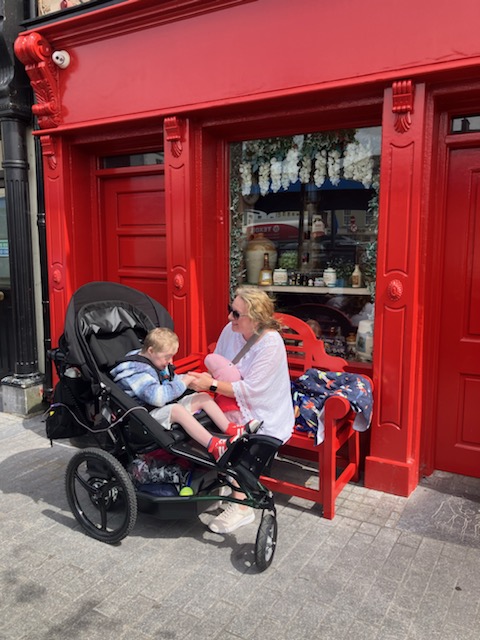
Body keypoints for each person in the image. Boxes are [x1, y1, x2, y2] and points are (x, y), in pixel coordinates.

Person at [188, 285, 294, 534]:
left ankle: (243, 504)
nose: (229, 318)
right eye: (230, 310)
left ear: (255, 318)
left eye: (236, 314)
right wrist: (206, 381)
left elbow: (253, 390)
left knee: (241, 434)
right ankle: (219, 481)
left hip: (262, 407)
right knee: (196, 418)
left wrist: (211, 384)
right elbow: (221, 363)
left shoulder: (271, 343)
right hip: (230, 397)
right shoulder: (230, 330)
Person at [110, 327, 254, 461]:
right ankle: (214, 446)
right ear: (151, 350)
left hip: (161, 408)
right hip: (143, 417)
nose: (170, 361)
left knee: (202, 397)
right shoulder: (137, 371)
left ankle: (231, 429)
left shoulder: (156, 361)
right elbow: (157, 398)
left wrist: (190, 378)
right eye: (167, 357)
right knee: (177, 410)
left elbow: (169, 381)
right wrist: (183, 383)